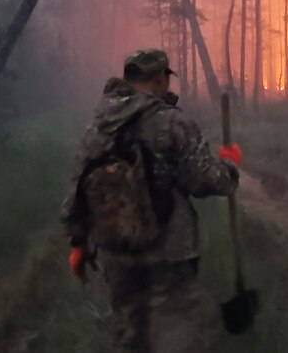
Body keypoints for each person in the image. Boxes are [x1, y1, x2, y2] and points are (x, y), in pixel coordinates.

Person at [61, 49, 242, 352]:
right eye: (165, 81)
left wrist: (78, 243)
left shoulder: (99, 126)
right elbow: (205, 180)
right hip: (169, 253)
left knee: (129, 334)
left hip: (117, 253)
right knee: (173, 335)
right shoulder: (171, 123)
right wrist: (229, 167)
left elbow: (78, 189)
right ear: (160, 78)